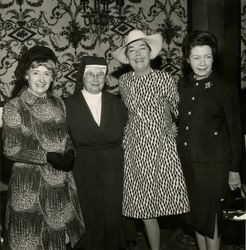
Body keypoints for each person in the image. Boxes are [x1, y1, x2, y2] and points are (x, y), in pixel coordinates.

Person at [111, 29, 190, 250]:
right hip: (135, 147)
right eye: (132, 50)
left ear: (150, 53)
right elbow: (125, 113)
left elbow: (179, 111)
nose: (137, 55)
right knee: (144, 206)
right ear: (127, 57)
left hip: (161, 147)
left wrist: (174, 126)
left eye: (142, 49)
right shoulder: (124, 81)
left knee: (168, 201)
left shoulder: (164, 78)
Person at [2, 46, 85, 250]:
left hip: (59, 183)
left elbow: (65, 137)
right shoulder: (15, 106)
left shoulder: (58, 103)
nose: (41, 78)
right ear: (26, 75)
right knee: (31, 240)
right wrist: (46, 156)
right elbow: (11, 149)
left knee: (58, 239)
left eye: (47, 73)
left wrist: (71, 151)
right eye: (36, 72)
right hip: (29, 184)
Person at [177, 30, 242, 250]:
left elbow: (236, 132)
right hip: (188, 163)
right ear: (187, 59)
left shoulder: (225, 88)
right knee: (196, 218)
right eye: (196, 57)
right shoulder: (182, 86)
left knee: (211, 221)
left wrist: (234, 169)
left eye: (207, 57)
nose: (202, 63)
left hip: (214, 166)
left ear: (214, 58)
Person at [64, 56, 134, 250]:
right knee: (88, 213)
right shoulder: (68, 105)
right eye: (90, 75)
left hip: (114, 168)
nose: (95, 79)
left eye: (100, 74)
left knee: (113, 213)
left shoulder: (118, 103)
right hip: (83, 168)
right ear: (82, 77)